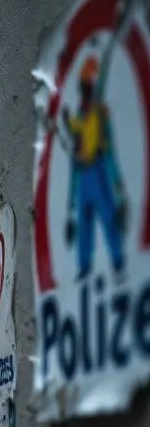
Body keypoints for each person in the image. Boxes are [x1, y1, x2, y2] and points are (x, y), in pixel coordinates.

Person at [63, 53, 128, 280]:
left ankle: (118, 261)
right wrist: (70, 203)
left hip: (99, 170)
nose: (83, 91)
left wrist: (118, 186)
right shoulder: (79, 118)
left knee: (109, 217)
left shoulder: (100, 115)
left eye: (86, 86)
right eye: (82, 87)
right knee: (84, 224)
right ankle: (84, 266)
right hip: (84, 175)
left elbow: (109, 154)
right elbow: (73, 158)